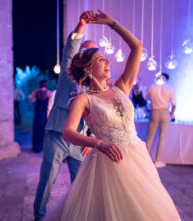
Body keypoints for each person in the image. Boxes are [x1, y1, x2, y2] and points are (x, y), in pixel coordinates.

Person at [44, 10, 181, 221]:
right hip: (108, 161)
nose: (108, 63)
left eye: (107, 59)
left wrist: (111, 23)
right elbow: (68, 132)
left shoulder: (121, 87)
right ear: (89, 69)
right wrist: (99, 143)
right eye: (101, 60)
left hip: (136, 156)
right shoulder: (84, 99)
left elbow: (137, 47)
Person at [33, 10, 98, 221]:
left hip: (81, 142)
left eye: (95, 52)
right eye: (87, 50)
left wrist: (93, 138)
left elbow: (100, 117)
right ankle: (39, 217)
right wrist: (81, 27)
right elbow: (69, 49)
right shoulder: (67, 75)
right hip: (57, 136)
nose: (91, 54)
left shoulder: (97, 86)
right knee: (46, 182)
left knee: (80, 186)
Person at [145, 73, 176, 168]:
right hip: (165, 112)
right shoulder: (169, 88)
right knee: (162, 137)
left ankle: (144, 160)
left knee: (149, 137)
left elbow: (146, 99)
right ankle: (157, 161)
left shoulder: (151, 87)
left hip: (154, 112)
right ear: (166, 79)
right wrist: (171, 113)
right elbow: (174, 104)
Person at [29, 80, 52, 152]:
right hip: (44, 113)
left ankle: (36, 147)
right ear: (46, 85)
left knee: (36, 128)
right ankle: (42, 146)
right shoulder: (49, 93)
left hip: (37, 112)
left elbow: (30, 100)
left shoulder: (36, 92)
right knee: (43, 129)